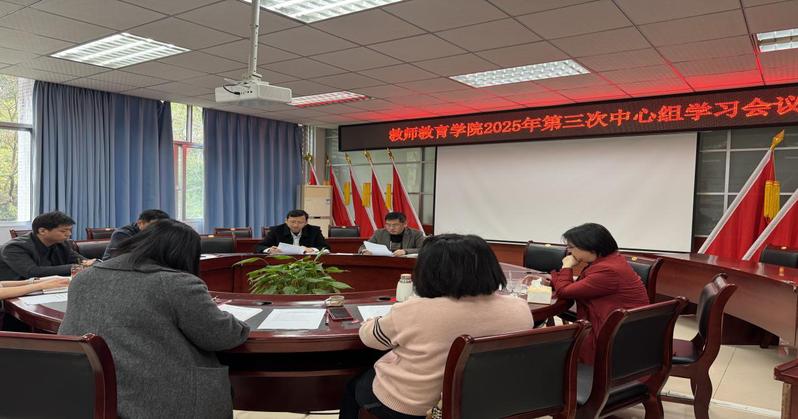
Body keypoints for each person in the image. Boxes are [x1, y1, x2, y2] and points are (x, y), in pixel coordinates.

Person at [59, 219, 250, 419]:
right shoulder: (175, 283)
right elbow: (221, 336)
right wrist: (238, 323)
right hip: (161, 402)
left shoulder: (83, 278)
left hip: (89, 398)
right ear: (184, 253)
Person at [339, 234, 533, 419]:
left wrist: (372, 322)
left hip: (415, 406)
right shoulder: (519, 308)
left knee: (353, 386)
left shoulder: (414, 310)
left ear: (429, 271)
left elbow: (371, 339)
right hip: (493, 403)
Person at [549, 223, 649, 364]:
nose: (569, 252)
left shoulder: (608, 270)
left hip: (617, 335)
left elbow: (564, 291)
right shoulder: (610, 260)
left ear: (590, 247)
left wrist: (566, 266)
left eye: (571, 247)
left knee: (552, 349)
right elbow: (577, 286)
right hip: (622, 324)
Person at [0, 211, 94, 280]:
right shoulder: (13, 248)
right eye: (63, 231)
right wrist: (76, 267)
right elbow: (32, 272)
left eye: (70, 230)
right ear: (42, 231)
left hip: (49, 287)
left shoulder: (62, 243)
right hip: (14, 294)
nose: (69, 234)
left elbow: (83, 261)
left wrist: (94, 263)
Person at [102, 209, 170, 260]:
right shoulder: (122, 234)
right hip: (112, 267)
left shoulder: (161, 233)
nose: (158, 229)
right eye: (155, 226)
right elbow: (131, 258)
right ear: (140, 223)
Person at [254, 209, 329, 254]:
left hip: (307, 264)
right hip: (282, 264)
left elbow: (325, 247)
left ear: (306, 222)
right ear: (286, 221)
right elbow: (259, 246)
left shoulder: (314, 231)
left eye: (300, 222)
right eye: (292, 222)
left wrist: (312, 249)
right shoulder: (276, 230)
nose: (295, 225)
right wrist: (270, 250)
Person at [359, 212, 425, 256]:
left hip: (406, 264)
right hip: (384, 263)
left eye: (395, 225)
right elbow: (363, 247)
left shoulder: (416, 234)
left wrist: (405, 251)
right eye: (388, 225)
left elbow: (423, 249)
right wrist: (364, 251)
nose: (391, 228)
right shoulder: (379, 233)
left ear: (405, 224)